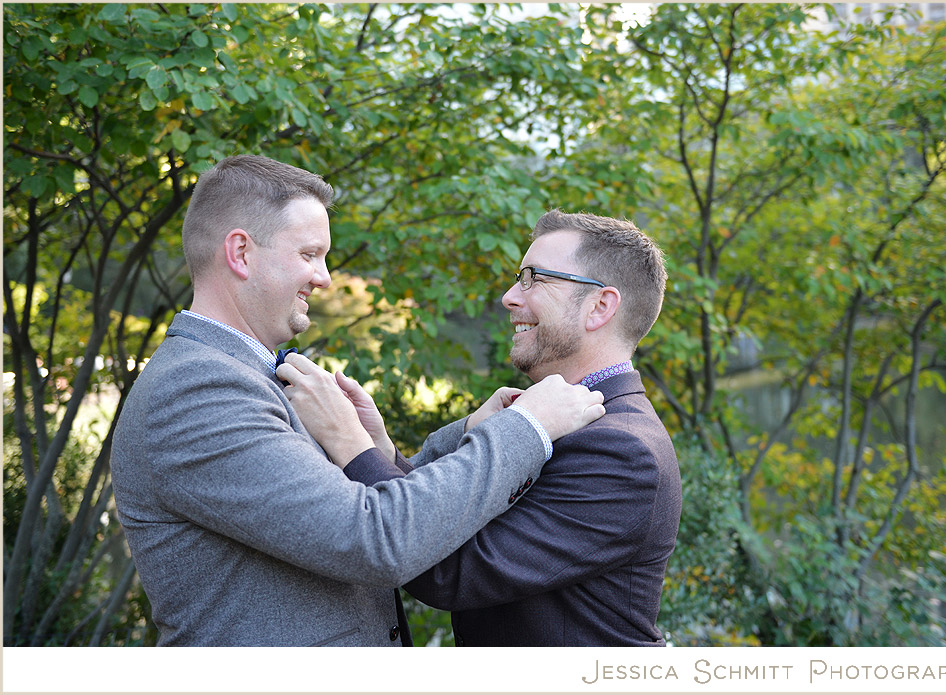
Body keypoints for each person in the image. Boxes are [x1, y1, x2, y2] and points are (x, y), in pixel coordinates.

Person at [109, 156, 605, 646]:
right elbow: (375, 538)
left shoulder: (249, 374)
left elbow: (354, 504)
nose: (324, 278)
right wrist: (525, 429)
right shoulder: (199, 391)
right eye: (309, 254)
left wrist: (459, 436)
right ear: (240, 252)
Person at [285, 209, 682, 646]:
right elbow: (445, 519)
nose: (510, 296)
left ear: (600, 307)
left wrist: (349, 443)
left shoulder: (621, 452)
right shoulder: (565, 422)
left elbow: (444, 570)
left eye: (534, 278)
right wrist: (380, 451)